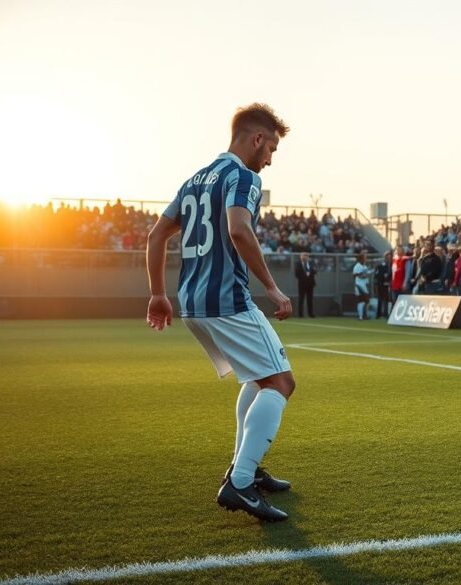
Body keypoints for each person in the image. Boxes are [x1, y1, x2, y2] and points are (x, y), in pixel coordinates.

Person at [145, 103, 294, 522]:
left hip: (192, 303)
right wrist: (271, 286)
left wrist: (158, 294)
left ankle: (244, 467)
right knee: (282, 383)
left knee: (256, 376)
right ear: (257, 138)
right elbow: (238, 229)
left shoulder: (194, 180)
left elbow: (157, 235)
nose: (270, 160)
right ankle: (241, 482)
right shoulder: (242, 177)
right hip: (226, 299)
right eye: (272, 149)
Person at [294, 252, 316, 318]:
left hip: (310, 284)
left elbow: (315, 271)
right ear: (300, 256)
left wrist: (310, 273)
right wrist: (304, 277)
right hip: (302, 284)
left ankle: (311, 314)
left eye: (306, 256)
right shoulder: (298, 264)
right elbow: (297, 273)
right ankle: (300, 314)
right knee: (301, 299)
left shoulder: (311, 263)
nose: (304, 257)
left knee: (310, 299)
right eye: (303, 255)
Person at [353, 250, 371, 320]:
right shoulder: (357, 266)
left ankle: (364, 315)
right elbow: (355, 275)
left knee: (366, 300)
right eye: (365, 257)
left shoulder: (364, 266)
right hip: (359, 285)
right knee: (361, 300)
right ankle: (361, 316)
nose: (366, 258)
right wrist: (364, 275)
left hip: (364, 284)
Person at [374, 251, 392, 319]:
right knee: (380, 299)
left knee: (387, 299)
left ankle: (385, 313)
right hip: (381, 284)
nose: (388, 259)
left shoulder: (391, 265)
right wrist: (383, 276)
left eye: (389, 257)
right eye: (387, 257)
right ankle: (378, 314)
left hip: (388, 284)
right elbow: (376, 275)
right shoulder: (380, 265)